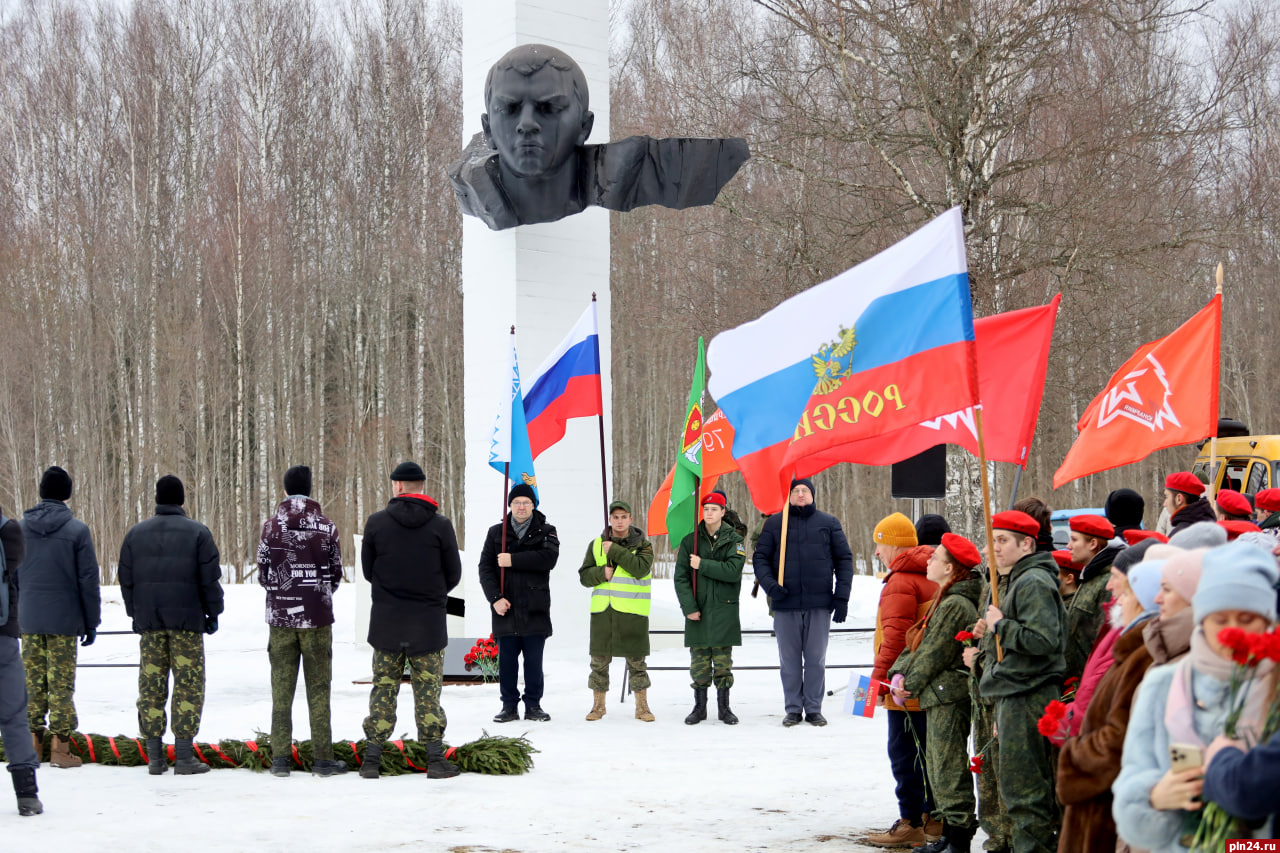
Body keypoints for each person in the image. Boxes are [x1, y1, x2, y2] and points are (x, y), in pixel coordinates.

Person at [449, 44, 748, 230]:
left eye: (549, 107)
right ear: (488, 130)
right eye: (510, 109)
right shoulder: (474, 191)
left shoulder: (642, 169)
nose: (527, 124)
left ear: (584, 127)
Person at [1113, 541, 1278, 851]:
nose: (1232, 631)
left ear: (1268, 620)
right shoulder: (1164, 684)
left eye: (1246, 619)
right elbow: (1132, 780)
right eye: (1219, 619)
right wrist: (1153, 797)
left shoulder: (1274, 685)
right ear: (1202, 618)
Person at [359, 461, 462, 779]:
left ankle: (372, 760)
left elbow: (367, 571)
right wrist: (431, 596)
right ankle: (434, 759)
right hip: (427, 624)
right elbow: (454, 574)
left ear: (398, 486)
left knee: (384, 688)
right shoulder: (441, 525)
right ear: (420, 486)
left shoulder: (376, 523)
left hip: (387, 623)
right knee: (428, 689)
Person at [973, 510, 1067, 853]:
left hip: (1029, 694)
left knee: (1026, 793)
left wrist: (1002, 627)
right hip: (1014, 693)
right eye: (991, 540)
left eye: (1002, 541)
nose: (992, 549)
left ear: (1026, 544)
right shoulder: (1015, 580)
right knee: (1018, 791)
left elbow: (1044, 641)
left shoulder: (1033, 582)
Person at [118, 475, 223, 776]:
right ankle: (185, 755)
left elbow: (126, 579)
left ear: (156, 499)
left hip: (150, 623)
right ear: (181, 500)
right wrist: (213, 613)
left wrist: (134, 613)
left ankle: (154, 756)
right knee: (188, 686)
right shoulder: (198, 533)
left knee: (150, 687)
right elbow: (210, 579)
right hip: (188, 623)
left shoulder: (135, 535)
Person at [1055, 558, 1161, 853]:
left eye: (1125, 591)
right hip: (1102, 784)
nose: (1113, 592)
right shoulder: (1128, 637)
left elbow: (1119, 735)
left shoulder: (1142, 651)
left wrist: (1075, 756)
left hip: (1106, 785)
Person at [887, 532, 983, 853]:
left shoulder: (955, 604)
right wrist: (898, 672)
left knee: (947, 767)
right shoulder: (945, 596)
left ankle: (958, 841)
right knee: (938, 768)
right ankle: (949, 835)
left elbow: (934, 651)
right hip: (939, 693)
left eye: (936, 558)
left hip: (949, 695)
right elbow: (918, 642)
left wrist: (906, 681)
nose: (928, 560)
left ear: (951, 568)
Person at [256, 465, 346, 778]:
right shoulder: (326, 526)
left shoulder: (270, 527)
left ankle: (280, 759)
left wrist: (283, 595)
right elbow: (336, 573)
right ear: (309, 490)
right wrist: (318, 594)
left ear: (284, 490)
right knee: (319, 690)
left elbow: (264, 574)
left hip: (280, 618)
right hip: (318, 617)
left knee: (281, 690)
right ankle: (323, 759)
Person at [863, 512, 939, 848]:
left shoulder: (901, 581)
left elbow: (895, 639)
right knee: (929, 753)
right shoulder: (931, 574)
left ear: (894, 544)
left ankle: (910, 822)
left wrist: (876, 684)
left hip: (903, 685)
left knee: (904, 752)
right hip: (929, 684)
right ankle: (934, 820)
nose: (877, 552)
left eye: (880, 544)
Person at [752, 478, 854, 726]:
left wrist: (841, 596)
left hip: (819, 604)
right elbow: (760, 559)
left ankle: (813, 708)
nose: (800, 494)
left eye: (804, 491)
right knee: (789, 661)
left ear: (813, 495)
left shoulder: (828, 523)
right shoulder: (776, 524)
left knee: (816, 659)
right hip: (785, 603)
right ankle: (793, 708)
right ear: (789, 496)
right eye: (795, 491)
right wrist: (771, 586)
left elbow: (844, 560)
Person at [19, 465, 101, 769]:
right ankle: (60, 748)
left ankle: (31, 745)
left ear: (41, 492)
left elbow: (10, 575)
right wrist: (91, 621)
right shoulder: (77, 530)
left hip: (27, 618)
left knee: (31, 683)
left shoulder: (19, 528)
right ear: (67, 493)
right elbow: (88, 580)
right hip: (64, 621)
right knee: (61, 683)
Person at [478, 483, 559, 724]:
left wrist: (512, 559)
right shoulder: (496, 533)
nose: (521, 507)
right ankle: (509, 706)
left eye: (526, 502)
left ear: (533, 505)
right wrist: (495, 599)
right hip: (506, 608)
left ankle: (533, 705)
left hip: (535, 608)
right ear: (510, 505)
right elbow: (485, 569)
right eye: (517, 502)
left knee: (534, 662)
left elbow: (547, 559)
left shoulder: (547, 531)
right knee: (507, 663)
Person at [579, 500, 655, 722]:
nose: (619, 521)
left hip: (633, 612)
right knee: (598, 662)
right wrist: (602, 573)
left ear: (631, 519)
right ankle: (598, 706)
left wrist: (616, 550)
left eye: (624, 517)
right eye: (615, 517)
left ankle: (642, 707)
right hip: (604, 612)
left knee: (637, 663)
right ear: (610, 520)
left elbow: (641, 569)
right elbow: (584, 576)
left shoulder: (643, 545)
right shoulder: (596, 544)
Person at [674, 492, 746, 726]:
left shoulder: (734, 540)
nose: (709, 513)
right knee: (699, 664)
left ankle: (724, 709)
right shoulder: (690, 541)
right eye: (706, 509)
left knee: (723, 664)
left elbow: (732, 571)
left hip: (724, 610)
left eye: (714, 509)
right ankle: (700, 707)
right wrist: (689, 607)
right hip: (699, 611)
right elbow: (681, 578)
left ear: (723, 512)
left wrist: (702, 564)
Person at [1, 504, 41, 814]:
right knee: (14, 714)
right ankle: (26, 793)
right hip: (3, 634)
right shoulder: (9, 529)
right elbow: (14, 568)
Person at [1063, 514, 1123, 681]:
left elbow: (1105, 644)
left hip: (1092, 682)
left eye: (1074, 540)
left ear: (1093, 544)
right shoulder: (1091, 576)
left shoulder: (1107, 583)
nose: (1068, 546)